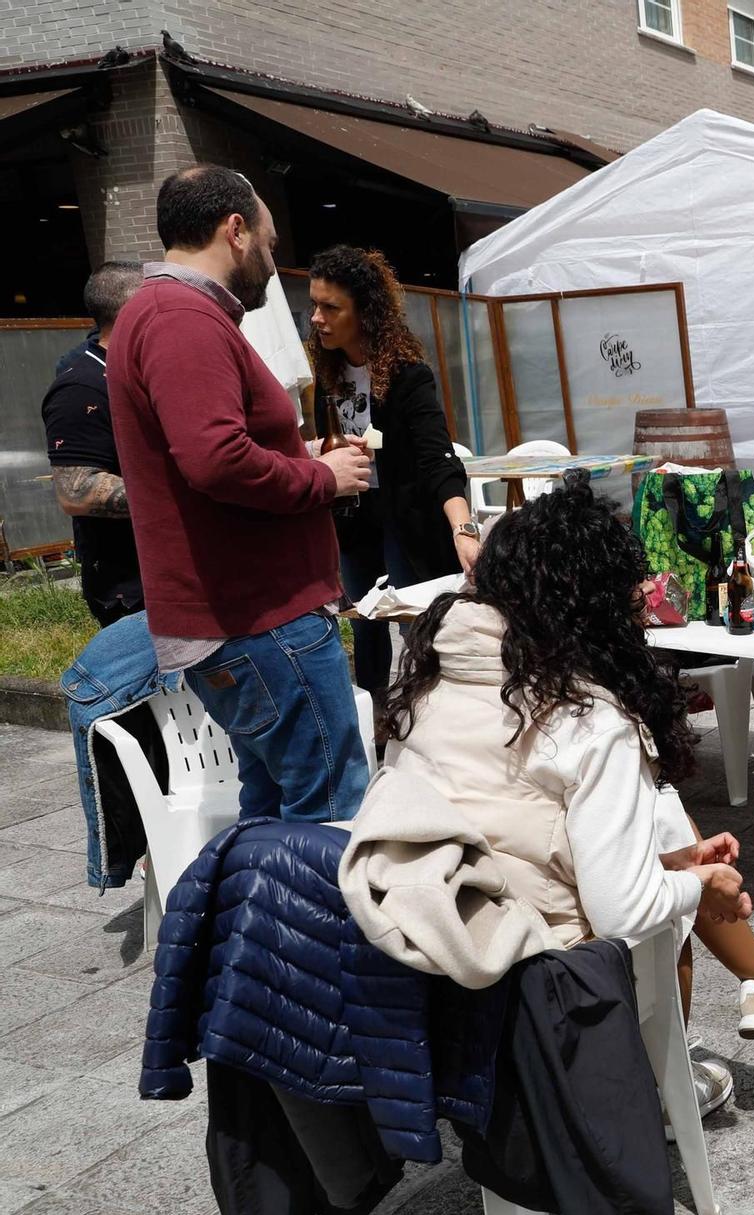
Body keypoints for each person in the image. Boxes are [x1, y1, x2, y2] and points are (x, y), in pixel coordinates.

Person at [373, 473, 754, 1125]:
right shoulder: (592, 718)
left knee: (665, 863)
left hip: (422, 967)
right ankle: (662, 1092)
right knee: (673, 927)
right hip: (537, 989)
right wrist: (702, 886)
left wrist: (671, 864)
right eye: (631, 589)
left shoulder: (428, 679)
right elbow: (624, 916)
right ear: (594, 603)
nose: (643, 602)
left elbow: (522, 829)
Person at [107, 165, 373, 823]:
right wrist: (322, 477)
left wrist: (300, 455)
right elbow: (215, 459)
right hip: (261, 616)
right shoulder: (181, 318)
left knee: (274, 808)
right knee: (329, 813)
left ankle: (253, 927)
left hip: (245, 618)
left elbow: (205, 451)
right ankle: (323, 929)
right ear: (235, 232)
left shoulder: (163, 313)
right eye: (270, 242)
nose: (272, 261)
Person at [306, 245, 479, 708]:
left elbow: (437, 457)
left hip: (405, 516)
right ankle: (377, 714)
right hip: (352, 516)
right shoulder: (327, 374)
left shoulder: (407, 376)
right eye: (314, 305)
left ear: (364, 312)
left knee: (414, 619)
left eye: (330, 307)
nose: (317, 318)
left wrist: (463, 529)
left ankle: (434, 708)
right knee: (364, 620)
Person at [45, 263, 147, 626]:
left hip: (174, 575)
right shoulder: (82, 386)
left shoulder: (139, 369)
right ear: (135, 311)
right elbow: (76, 490)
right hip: (132, 590)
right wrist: (179, 492)